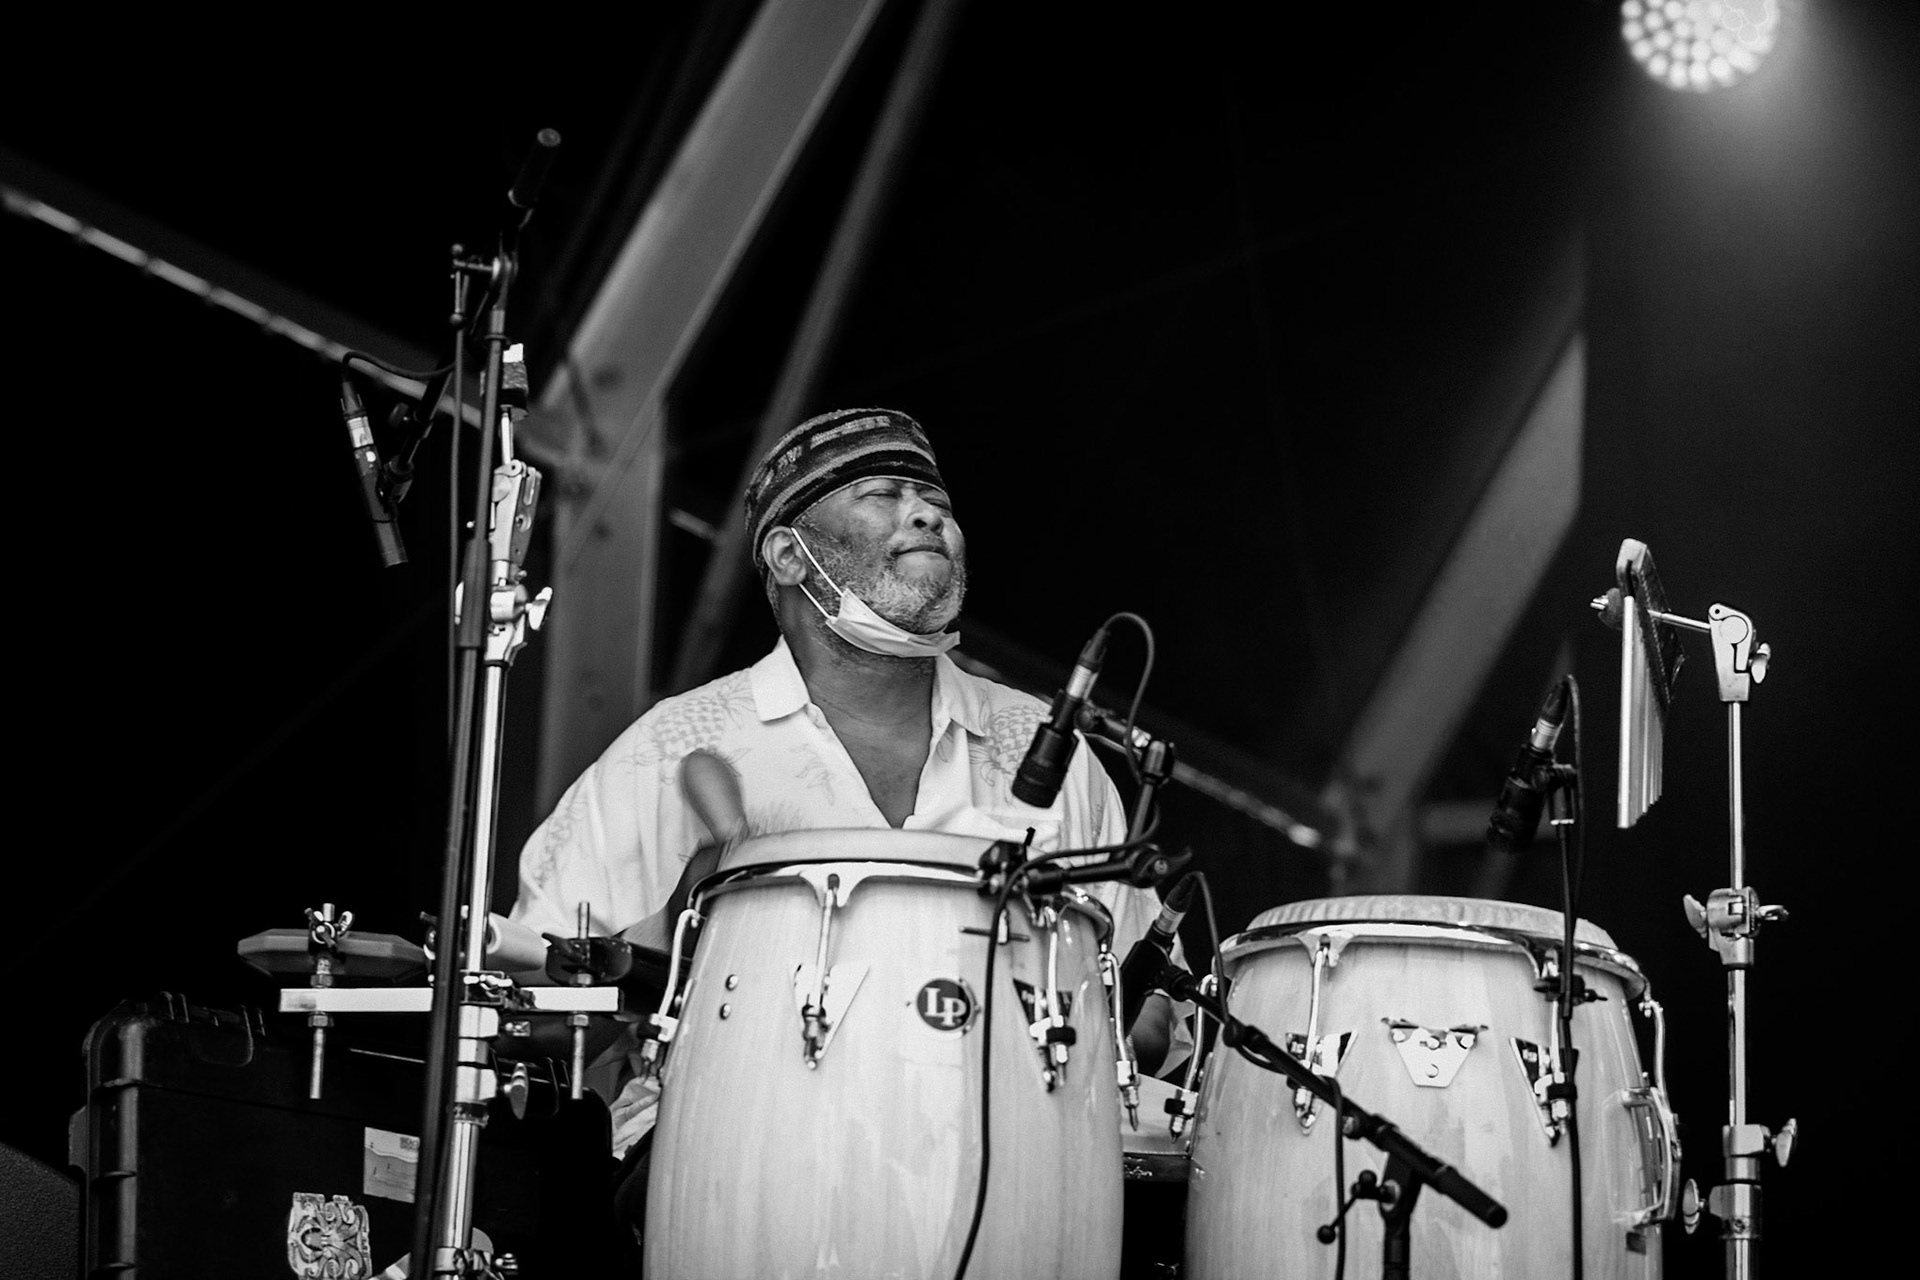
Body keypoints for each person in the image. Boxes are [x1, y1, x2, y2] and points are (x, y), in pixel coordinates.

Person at [508, 406, 1183, 1160]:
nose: (927, 515)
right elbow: (533, 1007)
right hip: (729, 1162)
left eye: (937, 502)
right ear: (790, 556)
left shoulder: (1048, 748)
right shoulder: (675, 747)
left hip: (1014, 1166)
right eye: (882, 495)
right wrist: (668, 963)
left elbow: (1151, 1022)